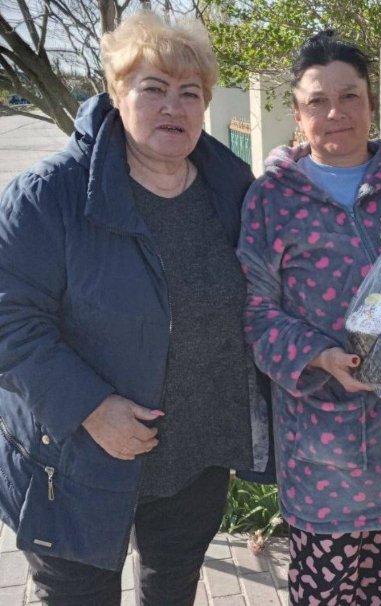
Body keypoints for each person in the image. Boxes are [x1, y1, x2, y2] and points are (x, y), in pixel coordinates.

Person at [0, 11, 272, 606]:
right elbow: (9, 320)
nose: (173, 107)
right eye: (153, 88)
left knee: (172, 592)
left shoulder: (233, 189)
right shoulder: (49, 196)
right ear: (116, 93)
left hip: (195, 456)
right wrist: (90, 407)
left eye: (190, 93)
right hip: (78, 458)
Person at [237, 30, 381, 606]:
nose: (335, 113)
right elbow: (256, 312)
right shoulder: (272, 198)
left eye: (349, 97)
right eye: (317, 101)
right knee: (324, 592)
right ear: (297, 114)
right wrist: (321, 357)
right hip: (322, 455)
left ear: (372, 103)